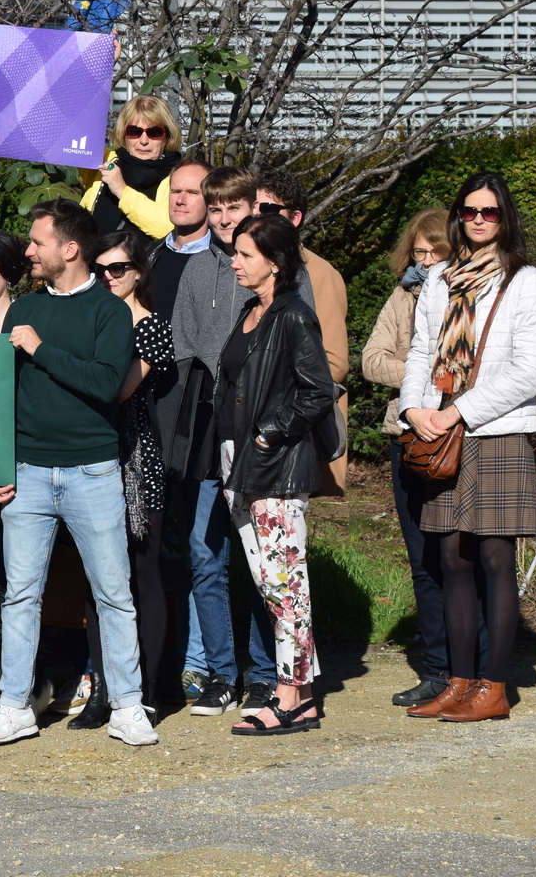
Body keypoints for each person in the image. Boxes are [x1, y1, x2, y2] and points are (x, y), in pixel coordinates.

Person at [0, 199, 157, 748]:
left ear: (70, 248)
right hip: (26, 473)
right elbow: (0, 395)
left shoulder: (109, 311)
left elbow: (105, 384)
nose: (29, 251)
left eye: (38, 242)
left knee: (114, 594)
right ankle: (14, 706)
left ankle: (128, 707)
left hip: (93, 472)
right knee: (20, 596)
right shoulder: (24, 308)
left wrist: (39, 348)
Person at [399, 173, 536, 723]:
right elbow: (421, 351)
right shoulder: (441, 279)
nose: (479, 220)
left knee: (493, 557)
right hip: (441, 433)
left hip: (496, 430)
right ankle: (458, 683)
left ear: (504, 216)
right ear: (458, 217)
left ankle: (493, 687)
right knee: (450, 558)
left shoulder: (526, 282)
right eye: (469, 211)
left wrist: (458, 411)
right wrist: (413, 410)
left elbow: (529, 371)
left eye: (489, 211)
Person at [166, 167, 316, 716]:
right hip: (216, 440)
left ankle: (275, 681)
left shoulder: (288, 295)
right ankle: (228, 675)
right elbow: (188, 351)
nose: (226, 219)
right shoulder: (219, 284)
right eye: (217, 209)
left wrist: (268, 433)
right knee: (217, 557)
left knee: (273, 574)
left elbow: (311, 382)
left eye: (236, 208)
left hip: (267, 450)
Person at [215, 215, 336, 735]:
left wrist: (269, 433)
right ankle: (301, 696)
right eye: (235, 252)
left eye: (245, 254)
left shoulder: (294, 316)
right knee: (270, 582)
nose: (234, 262)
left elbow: (318, 390)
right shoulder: (251, 310)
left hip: (275, 465)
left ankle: (289, 695)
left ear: (276, 262)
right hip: (237, 461)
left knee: (286, 582)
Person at [62, 231, 174, 728]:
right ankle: (104, 690)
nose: (108, 277)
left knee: (142, 577)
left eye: (119, 268)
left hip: (135, 461)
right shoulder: (90, 319)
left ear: (138, 272)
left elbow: (116, 390)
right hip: (88, 458)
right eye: (100, 268)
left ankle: (145, 691)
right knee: (96, 579)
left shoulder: (151, 327)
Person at [362, 209, 468, 709]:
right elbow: (371, 360)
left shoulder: (469, 294)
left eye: (434, 252)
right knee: (423, 559)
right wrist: (422, 371)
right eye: (418, 252)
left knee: (461, 557)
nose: (424, 262)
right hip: (405, 435)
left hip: (459, 434)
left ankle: (474, 667)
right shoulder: (403, 296)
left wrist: (419, 373)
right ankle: (436, 669)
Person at [256, 169, 350, 494]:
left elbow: (334, 362)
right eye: (252, 206)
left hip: (292, 430)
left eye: (268, 208)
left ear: (294, 218)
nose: (257, 214)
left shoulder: (320, 274)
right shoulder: (240, 266)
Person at [79, 95, 181, 252]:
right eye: (134, 131)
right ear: (123, 134)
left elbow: (169, 229)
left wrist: (122, 191)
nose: (144, 141)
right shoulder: (105, 161)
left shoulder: (177, 176)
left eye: (154, 132)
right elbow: (73, 131)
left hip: (145, 266)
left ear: (167, 137)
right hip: (93, 263)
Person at [145, 160, 211, 320]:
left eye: (192, 192)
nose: (180, 200)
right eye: (175, 191)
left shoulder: (227, 262)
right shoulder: (147, 255)